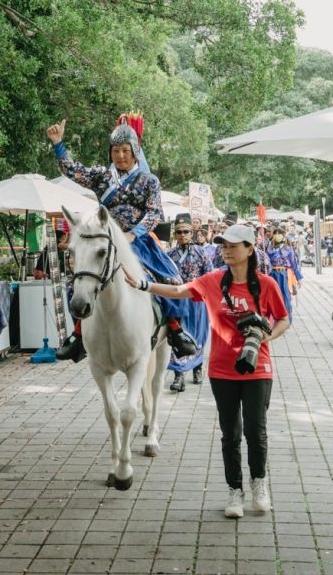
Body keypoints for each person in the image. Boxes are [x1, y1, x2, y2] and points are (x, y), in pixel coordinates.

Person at [127, 224, 289, 518]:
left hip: (258, 369)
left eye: (233, 246)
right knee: (230, 434)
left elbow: (283, 319)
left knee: (256, 431)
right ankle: (235, 491)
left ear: (249, 249)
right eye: (223, 245)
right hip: (222, 370)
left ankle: (259, 484)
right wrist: (143, 285)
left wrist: (266, 337)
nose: (226, 250)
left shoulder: (266, 284)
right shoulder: (213, 280)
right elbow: (178, 291)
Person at [47, 115, 198, 363]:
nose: (120, 156)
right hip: (103, 240)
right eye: (115, 151)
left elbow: (154, 213)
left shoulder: (149, 181)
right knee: (79, 280)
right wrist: (58, 144)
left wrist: (133, 233)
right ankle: (78, 335)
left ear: (135, 151)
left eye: (125, 151)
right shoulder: (102, 176)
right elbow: (74, 171)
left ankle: (175, 329)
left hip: (138, 242)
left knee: (170, 277)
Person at [167, 213, 213, 392]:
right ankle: (178, 375)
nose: (182, 235)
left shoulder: (201, 253)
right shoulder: (169, 255)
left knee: (198, 336)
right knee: (179, 335)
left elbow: (209, 275)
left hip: (197, 301)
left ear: (191, 233)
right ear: (175, 234)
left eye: (186, 231)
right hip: (177, 300)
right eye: (179, 232)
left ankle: (197, 367)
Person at [267, 231, 304, 320]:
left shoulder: (288, 249)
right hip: (272, 274)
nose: (277, 235)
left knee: (285, 296)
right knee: (273, 296)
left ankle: (287, 319)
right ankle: (274, 318)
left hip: (283, 274)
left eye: (278, 234)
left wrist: (298, 278)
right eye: (275, 233)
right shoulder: (269, 248)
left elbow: (294, 263)